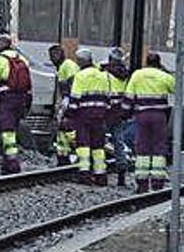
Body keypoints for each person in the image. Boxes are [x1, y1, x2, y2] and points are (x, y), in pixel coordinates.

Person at [124, 52, 175, 193]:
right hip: (159, 116)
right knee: (159, 147)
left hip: (142, 115)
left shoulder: (137, 75)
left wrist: (124, 113)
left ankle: (142, 183)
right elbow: (176, 89)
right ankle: (158, 183)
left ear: (146, 62)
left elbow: (128, 97)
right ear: (159, 63)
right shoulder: (164, 76)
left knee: (142, 147)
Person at [0, 33, 33, 175]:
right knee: (13, 129)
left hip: (6, 99)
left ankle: (12, 163)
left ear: (0, 44)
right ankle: (8, 162)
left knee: (7, 132)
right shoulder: (22, 59)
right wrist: (28, 103)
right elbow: (28, 84)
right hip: (21, 98)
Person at [70, 49, 111, 186]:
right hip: (99, 115)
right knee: (98, 146)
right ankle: (101, 175)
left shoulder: (80, 76)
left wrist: (70, 115)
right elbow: (108, 98)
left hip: (84, 115)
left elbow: (75, 98)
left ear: (81, 61)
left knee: (83, 145)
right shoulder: (103, 76)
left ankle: (84, 174)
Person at [101, 47, 132, 186]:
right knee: (119, 143)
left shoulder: (106, 75)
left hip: (107, 111)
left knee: (100, 142)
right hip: (119, 112)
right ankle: (121, 175)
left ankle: (100, 172)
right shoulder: (125, 75)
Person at [49, 45, 80, 166]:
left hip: (70, 100)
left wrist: (67, 104)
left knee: (67, 128)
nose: (52, 58)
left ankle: (67, 155)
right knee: (63, 129)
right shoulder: (63, 66)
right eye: (51, 56)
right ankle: (63, 156)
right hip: (68, 100)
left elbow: (72, 85)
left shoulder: (67, 66)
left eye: (55, 55)